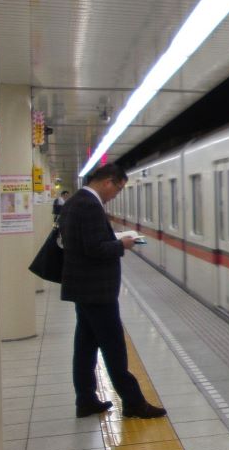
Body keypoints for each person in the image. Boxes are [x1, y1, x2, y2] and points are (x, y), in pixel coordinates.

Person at [60, 163, 166, 418]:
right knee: (114, 346)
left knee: (85, 346)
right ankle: (133, 402)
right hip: (97, 290)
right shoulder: (88, 205)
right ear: (108, 182)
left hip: (85, 288)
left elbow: (88, 243)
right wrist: (123, 244)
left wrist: (113, 240)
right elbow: (95, 248)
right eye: (117, 190)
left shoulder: (76, 201)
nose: (115, 195)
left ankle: (85, 399)